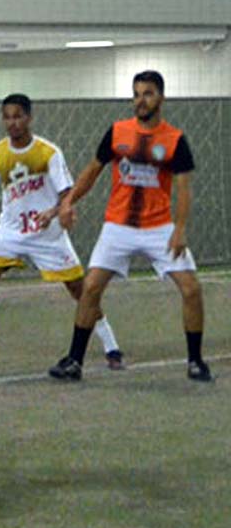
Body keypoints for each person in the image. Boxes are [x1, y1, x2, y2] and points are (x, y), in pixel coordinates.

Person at [49, 70, 211, 382]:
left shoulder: (175, 140)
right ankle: (74, 361)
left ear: (161, 98)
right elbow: (91, 172)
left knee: (191, 289)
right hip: (118, 227)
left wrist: (179, 229)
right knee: (91, 288)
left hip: (159, 227)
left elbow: (184, 189)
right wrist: (68, 202)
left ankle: (196, 362)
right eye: (136, 94)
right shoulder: (117, 132)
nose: (140, 100)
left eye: (147, 94)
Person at [0, 94, 122, 371]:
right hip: (9, 233)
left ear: (29, 118)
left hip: (47, 234)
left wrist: (55, 211)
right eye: (7, 117)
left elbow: (68, 193)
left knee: (79, 290)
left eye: (18, 116)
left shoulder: (48, 153)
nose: (12, 122)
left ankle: (112, 347)